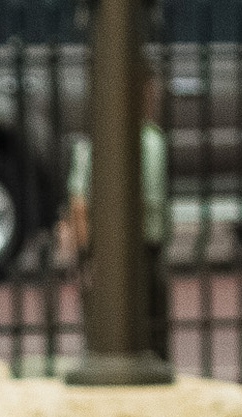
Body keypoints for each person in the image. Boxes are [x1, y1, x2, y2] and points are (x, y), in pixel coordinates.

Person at [61, 65, 170, 365]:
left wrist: (86, 255)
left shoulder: (106, 140)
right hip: (136, 248)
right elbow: (80, 206)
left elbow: (79, 204)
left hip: (126, 249)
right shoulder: (146, 140)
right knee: (149, 333)